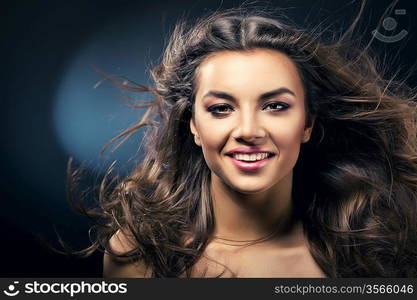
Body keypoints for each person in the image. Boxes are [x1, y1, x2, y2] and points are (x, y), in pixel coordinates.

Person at [70, 5, 417, 277]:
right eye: (221, 108)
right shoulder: (141, 254)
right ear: (193, 125)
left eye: (275, 106)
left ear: (307, 123)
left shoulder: (372, 249)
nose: (248, 130)